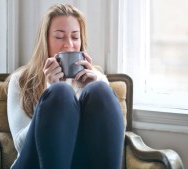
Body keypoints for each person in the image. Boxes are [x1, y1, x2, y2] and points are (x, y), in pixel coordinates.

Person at [7, 3, 124, 169]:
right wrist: (49, 91)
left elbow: (112, 140)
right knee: (60, 92)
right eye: (59, 36)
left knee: (100, 90)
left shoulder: (96, 79)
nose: (68, 44)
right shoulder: (21, 80)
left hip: (81, 163)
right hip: (33, 163)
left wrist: (87, 89)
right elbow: (20, 145)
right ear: (45, 40)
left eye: (75, 37)